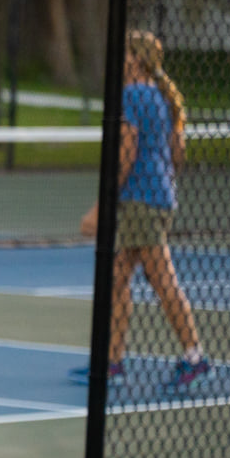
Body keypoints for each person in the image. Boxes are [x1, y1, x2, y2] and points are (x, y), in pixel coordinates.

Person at [69, 30, 210, 390]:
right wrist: (160, 179)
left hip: (140, 202)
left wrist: (101, 208)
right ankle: (112, 361)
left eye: (125, 52)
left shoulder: (131, 95)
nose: (119, 58)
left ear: (137, 59)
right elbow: (178, 153)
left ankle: (195, 355)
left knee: (163, 281)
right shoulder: (164, 97)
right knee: (117, 279)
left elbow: (126, 155)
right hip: (159, 197)